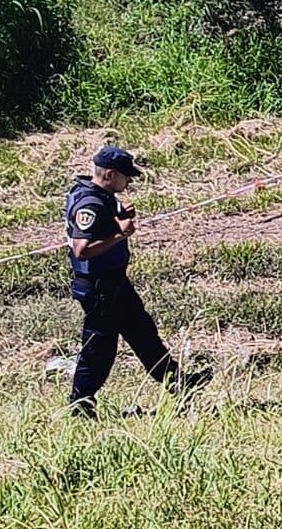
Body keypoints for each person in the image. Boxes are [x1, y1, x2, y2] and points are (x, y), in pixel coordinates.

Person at [64, 146, 210, 418]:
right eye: (125, 176)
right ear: (109, 174)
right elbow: (81, 249)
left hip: (114, 282)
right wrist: (120, 235)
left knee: (143, 333)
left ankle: (179, 383)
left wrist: (117, 213)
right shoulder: (91, 204)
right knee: (99, 349)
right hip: (98, 287)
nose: (129, 181)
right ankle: (79, 405)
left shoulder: (97, 196)